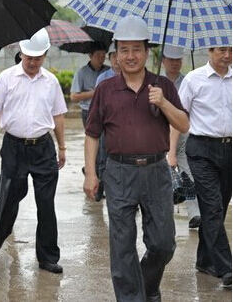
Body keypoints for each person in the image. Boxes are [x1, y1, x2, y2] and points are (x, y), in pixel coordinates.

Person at [83, 15, 189, 302]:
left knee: (164, 244)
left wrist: (163, 103)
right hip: (118, 173)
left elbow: (184, 124)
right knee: (122, 245)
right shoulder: (105, 89)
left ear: (147, 51)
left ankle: (147, 284)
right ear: (116, 55)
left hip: (156, 171)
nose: (131, 56)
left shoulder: (163, 86)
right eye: (124, 50)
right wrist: (91, 174)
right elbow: (92, 134)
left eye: (137, 49)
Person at [0, 27, 67, 274]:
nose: (32, 62)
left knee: (46, 204)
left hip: (43, 148)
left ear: (45, 55)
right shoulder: (6, 78)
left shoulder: (51, 82)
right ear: (21, 52)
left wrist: (61, 147)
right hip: (14, 147)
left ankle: (48, 257)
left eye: (37, 58)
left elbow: (59, 116)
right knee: (9, 197)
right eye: (28, 57)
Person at [178, 46, 232, 289]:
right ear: (209, 51)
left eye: (231, 50)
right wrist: (170, 153)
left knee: (218, 209)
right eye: (222, 50)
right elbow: (178, 117)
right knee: (211, 208)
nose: (227, 55)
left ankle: (203, 259)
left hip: (229, 149)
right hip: (200, 150)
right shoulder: (193, 79)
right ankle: (227, 268)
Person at [162, 44, 201, 229]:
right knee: (165, 177)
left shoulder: (189, 81)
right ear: (163, 61)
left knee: (189, 174)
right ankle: (165, 215)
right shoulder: (156, 83)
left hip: (184, 135)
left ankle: (195, 214)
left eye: (177, 60)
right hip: (161, 136)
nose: (174, 63)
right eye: (170, 60)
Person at [93, 42, 120, 201]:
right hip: (106, 126)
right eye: (113, 56)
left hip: (124, 127)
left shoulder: (129, 76)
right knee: (104, 158)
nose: (117, 59)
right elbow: (98, 103)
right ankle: (102, 186)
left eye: (118, 55)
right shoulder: (103, 78)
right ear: (109, 58)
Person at [70, 41, 109, 126]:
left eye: (103, 55)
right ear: (90, 55)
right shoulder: (82, 72)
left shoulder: (108, 71)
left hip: (107, 110)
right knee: (92, 138)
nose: (101, 58)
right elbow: (73, 97)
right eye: (98, 55)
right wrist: (95, 92)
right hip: (89, 111)